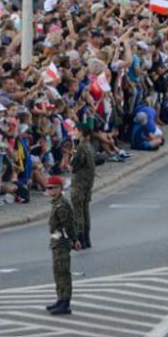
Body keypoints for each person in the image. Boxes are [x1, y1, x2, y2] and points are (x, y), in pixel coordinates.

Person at [46, 175, 80, 316]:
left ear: (59, 189)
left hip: (62, 242)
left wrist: (74, 239)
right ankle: (60, 299)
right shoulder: (56, 203)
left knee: (63, 272)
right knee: (58, 272)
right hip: (56, 241)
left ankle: (65, 302)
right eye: (48, 188)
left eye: (52, 188)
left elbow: (68, 225)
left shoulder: (61, 205)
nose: (49, 190)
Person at [70, 123, 95, 250]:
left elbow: (75, 163)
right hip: (88, 183)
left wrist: (73, 149)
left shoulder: (80, 147)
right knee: (85, 211)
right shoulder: (89, 146)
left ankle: (80, 238)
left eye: (76, 130)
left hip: (79, 182)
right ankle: (87, 237)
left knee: (78, 211)